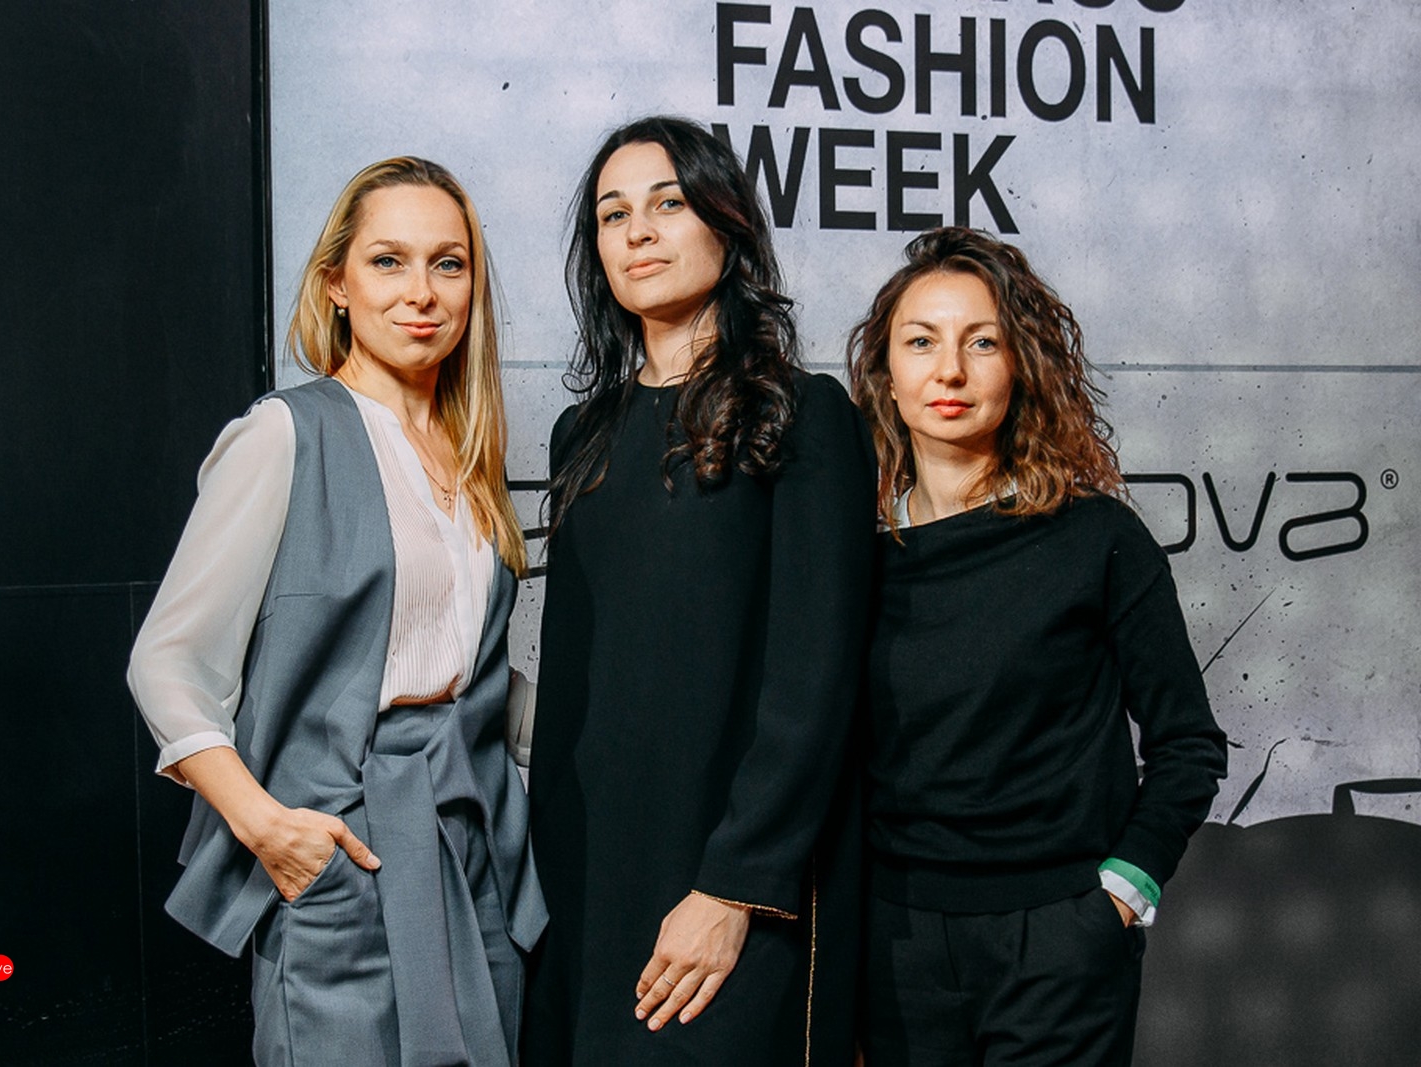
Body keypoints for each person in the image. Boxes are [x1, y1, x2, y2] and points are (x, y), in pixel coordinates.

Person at [127, 157, 545, 1067]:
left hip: (474, 846)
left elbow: (458, 669)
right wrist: (270, 828)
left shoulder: (469, 456)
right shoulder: (285, 432)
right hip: (345, 846)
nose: (421, 291)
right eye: (388, 261)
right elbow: (166, 661)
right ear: (337, 285)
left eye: (448, 263)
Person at [523, 116, 878, 1066]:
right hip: (590, 877)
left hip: (736, 877)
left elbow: (816, 679)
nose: (637, 232)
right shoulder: (582, 433)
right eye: (613, 214)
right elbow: (572, 686)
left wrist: (734, 885)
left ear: (728, 225)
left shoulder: (803, 413)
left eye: (668, 204)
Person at [846, 227, 1228, 1066]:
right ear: (884, 373)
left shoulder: (1096, 537)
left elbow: (1188, 743)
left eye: (982, 342)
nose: (950, 371)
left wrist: (1116, 899)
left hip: (1060, 943)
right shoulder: (850, 561)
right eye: (921, 342)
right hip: (893, 950)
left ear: (1021, 366)